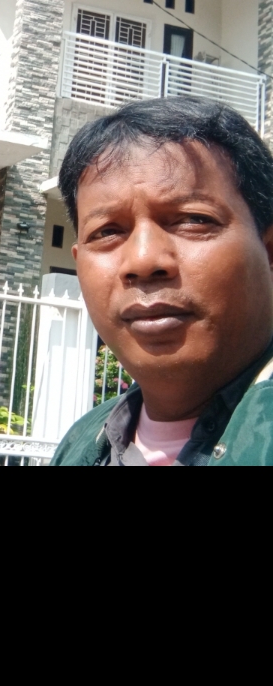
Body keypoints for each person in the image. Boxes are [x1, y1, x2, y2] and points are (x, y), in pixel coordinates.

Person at [51, 98, 273, 466]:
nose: (143, 261)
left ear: (268, 251)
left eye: (193, 220)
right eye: (107, 231)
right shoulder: (81, 444)